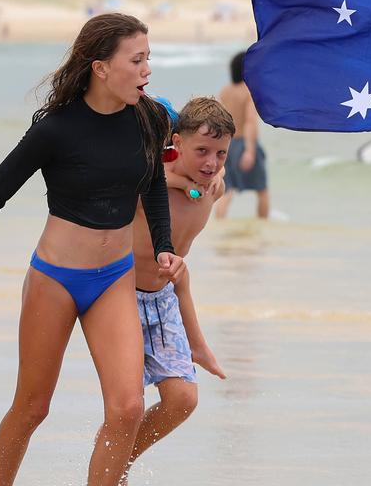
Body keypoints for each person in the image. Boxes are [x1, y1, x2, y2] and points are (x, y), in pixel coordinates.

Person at [0, 13, 186, 486]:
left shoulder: (149, 118)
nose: (147, 71)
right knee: (32, 407)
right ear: (100, 67)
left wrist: (163, 245)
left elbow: (154, 187)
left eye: (149, 59)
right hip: (56, 279)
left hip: (114, 279)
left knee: (127, 406)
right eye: (137, 60)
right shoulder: (56, 130)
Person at [125, 97, 233, 472]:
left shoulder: (213, 187)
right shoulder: (147, 185)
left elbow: (217, 177)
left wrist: (204, 174)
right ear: (176, 143)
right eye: (201, 150)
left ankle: (118, 459)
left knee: (183, 399)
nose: (211, 162)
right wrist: (168, 175)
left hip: (164, 298)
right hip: (120, 297)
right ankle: (111, 468)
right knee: (127, 407)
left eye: (220, 153)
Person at [216, 51, 269, 219]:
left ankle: (219, 227)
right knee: (262, 190)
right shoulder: (248, 91)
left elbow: (219, 119)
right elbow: (250, 121)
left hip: (226, 145)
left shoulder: (225, 91)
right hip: (244, 143)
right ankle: (263, 227)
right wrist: (250, 150)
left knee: (227, 190)